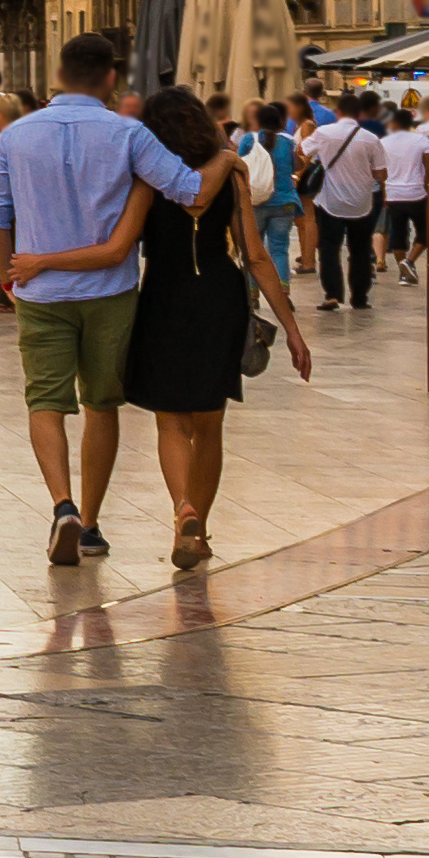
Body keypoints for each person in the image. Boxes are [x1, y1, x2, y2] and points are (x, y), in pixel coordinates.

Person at [0, 32, 220, 569]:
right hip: (110, 293)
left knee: (44, 401)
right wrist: (226, 157)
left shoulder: (17, 136)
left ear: (60, 76)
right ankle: (89, 522)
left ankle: (61, 505)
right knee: (100, 405)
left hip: (40, 291)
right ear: (110, 78)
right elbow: (190, 191)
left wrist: (11, 281)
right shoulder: (128, 134)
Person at [120, 84, 310, 568]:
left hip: (164, 295)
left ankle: (182, 508)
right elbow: (257, 255)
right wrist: (291, 327)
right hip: (218, 297)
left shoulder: (147, 176)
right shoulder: (230, 177)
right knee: (209, 424)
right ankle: (198, 527)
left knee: (170, 419)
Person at [299, 92, 387, 314]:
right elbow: (380, 174)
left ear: (338, 112)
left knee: (329, 248)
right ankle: (359, 296)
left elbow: (302, 150)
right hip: (361, 203)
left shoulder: (324, 133)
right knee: (359, 250)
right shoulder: (370, 138)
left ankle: (333, 294)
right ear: (359, 114)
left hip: (331, 202)